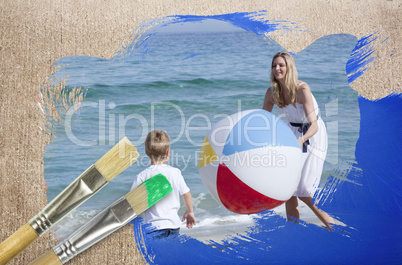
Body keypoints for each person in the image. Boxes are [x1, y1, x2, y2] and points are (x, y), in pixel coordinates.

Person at [262, 51, 334, 230]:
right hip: (293, 135)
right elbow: (262, 119)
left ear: (289, 68)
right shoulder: (272, 93)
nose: (277, 68)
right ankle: (293, 233)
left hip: (312, 136)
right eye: (274, 65)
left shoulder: (302, 90)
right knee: (289, 190)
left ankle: (337, 228)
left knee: (304, 191)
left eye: (281, 65)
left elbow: (314, 125)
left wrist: (301, 140)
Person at [131, 130, 196, 239]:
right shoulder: (175, 173)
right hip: (173, 225)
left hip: (153, 227)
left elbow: (132, 204)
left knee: (155, 255)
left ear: (146, 153)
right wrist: (190, 212)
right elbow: (186, 194)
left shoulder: (142, 176)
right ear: (167, 152)